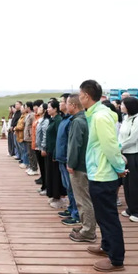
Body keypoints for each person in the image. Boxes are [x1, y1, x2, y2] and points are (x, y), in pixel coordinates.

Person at [79, 80, 126, 272]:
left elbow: (110, 146)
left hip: (104, 174)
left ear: (86, 96)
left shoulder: (100, 116)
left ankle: (116, 259)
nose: (79, 98)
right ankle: (106, 246)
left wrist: (119, 167)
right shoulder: (96, 114)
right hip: (97, 171)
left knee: (108, 218)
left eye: (80, 95)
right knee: (102, 215)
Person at [66, 94, 97, 243]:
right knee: (85, 197)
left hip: (79, 166)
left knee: (83, 199)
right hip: (88, 163)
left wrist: (70, 163)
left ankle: (88, 231)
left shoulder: (77, 122)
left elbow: (75, 145)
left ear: (73, 105)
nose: (66, 106)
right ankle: (86, 225)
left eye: (67, 103)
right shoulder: (87, 118)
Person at [55, 94, 79, 225]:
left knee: (72, 187)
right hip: (61, 157)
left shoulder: (71, 121)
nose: (60, 104)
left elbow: (72, 143)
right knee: (68, 187)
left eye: (62, 102)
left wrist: (69, 159)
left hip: (67, 158)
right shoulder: (65, 119)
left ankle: (76, 213)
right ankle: (71, 209)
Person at [44, 100, 67, 209]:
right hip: (50, 150)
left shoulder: (58, 120)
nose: (47, 109)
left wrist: (55, 153)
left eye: (49, 107)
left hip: (55, 152)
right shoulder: (52, 119)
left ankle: (59, 197)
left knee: (56, 175)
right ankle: (53, 195)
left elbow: (59, 138)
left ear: (55, 109)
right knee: (51, 174)